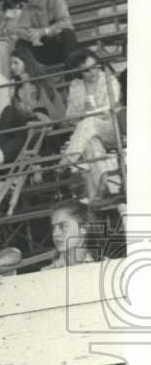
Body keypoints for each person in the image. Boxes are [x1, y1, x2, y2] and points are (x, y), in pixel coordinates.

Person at [61, 49, 123, 202]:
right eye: (86, 70)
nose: (93, 72)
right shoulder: (76, 85)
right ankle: (102, 184)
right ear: (80, 72)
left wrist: (89, 114)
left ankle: (67, 161)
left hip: (112, 129)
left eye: (95, 66)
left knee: (89, 122)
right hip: (88, 134)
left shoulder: (109, 79)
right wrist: (84, 112)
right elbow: (69, 117)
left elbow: (111, 108)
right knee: (90, 143)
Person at [12, 0, 79, 67]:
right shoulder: (27, 9)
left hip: (59, 46)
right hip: (41, 47)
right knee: (20, 43)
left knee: (68, 33)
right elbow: (20, 30)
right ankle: (34, 75)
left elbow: (66, 22)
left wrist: (43, 32)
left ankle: (72, 70)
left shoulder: (56, 1)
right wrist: (32, 36)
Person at [9, 46, 65, 120]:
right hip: (26, 122)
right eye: (11, 63)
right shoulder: (15, 87)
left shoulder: (42, 84)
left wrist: (26, 83)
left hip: (45, 120)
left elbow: (36, 109)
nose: (12, 67)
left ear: (26, 63)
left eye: (16, 63)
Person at [43, 199, 99, 270]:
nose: (55, 234)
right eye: (53, 228)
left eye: (63, 226)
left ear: (84, 228)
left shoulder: (105, 265)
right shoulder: (49, 272)